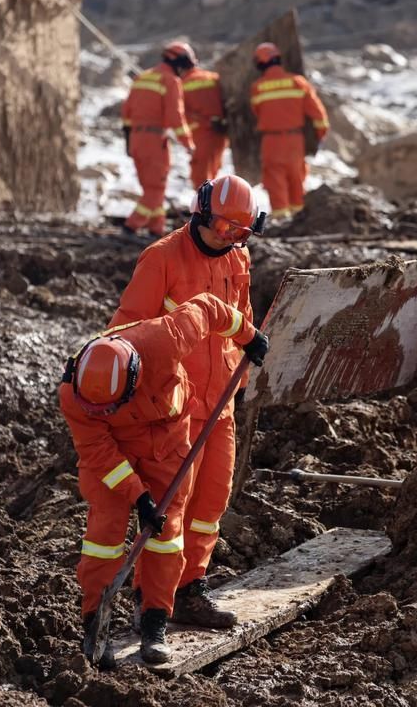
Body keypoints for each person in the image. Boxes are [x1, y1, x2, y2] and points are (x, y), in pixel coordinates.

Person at [60, 291, 266, 667]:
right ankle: (95, 624)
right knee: (104, 537)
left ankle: (154, 621)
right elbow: (99, 454)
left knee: (166, 534)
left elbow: (209, 306)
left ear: (134, 378)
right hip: (114, 454)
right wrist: (139, 498)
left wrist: (248, 336)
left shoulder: (166, 337)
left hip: (167, 444)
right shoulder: (74, 396)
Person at [108, 174, 264, 629]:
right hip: (174, 409)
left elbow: (241, 319)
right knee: (170, 509)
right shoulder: (162, 258)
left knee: (210, 503)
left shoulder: (238, 257)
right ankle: (150, 601)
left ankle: (190, 588)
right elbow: (128, 331)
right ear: (201, 212)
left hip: (221, 404)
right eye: (224, 227)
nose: (229, 237)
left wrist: (244, 369)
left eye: (241, 232)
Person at [120, 42, 197, 237]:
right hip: (154, 141)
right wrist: (188, 143)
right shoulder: (170, 81)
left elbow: (126, 112)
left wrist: (128, 141)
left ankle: (156, 228)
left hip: (136, 138)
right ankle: (131, 226)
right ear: (178, 62)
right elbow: (175, 117)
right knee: (155, 189)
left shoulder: (142, 77)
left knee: (151, 188)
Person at [248, 42, 329, 219]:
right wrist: (318, 137)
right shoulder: (298, 82)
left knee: (275, 180)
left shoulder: (258, 87)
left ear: (260, 63)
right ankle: (299, 219)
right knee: (297, 179)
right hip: (295, 140)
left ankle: (281, 219)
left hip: (271, 141)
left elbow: (256, 112)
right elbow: (319, 116)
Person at [182, 59, 229, 187]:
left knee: (200, 178)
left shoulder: (181, 85)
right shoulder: (214, 78)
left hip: (202, 134)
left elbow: (181, 113)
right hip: (220, 133)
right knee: (212, 174)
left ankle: (206, 200)